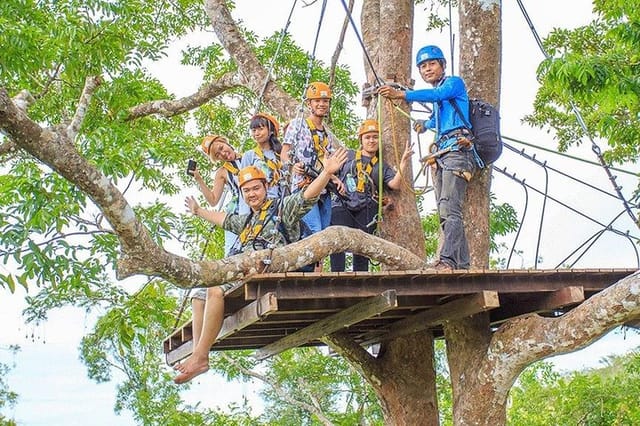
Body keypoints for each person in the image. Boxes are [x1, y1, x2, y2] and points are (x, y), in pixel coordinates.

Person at [173, 148, 349, 384]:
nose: (251, 194)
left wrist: (326, 173)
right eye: (246, 190)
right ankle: (198, 353)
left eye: (256, 188)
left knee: (215, 290)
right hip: (248, 271)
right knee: (198, 295)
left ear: (266, 188)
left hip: (271, 270)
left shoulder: (281, 209)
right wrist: (197, 211)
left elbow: (306, 196)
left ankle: (201, 356)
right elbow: (223, 219)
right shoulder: (247, 220)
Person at [378, 44, 481, 271]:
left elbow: (437, 95)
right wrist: (425, 125)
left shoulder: (453, 83)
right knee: (446, 210)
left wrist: (402, 94)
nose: (427, 69)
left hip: (457, 151)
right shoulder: (442, 100)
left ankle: (449, 261)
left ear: (442, 65)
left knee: (449, 209)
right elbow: (437, 119)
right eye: (423, 66)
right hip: (444, 153)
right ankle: (461, 264)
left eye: (432, 64)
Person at [330, 119, 413, 272]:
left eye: (375, 137)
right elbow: (328, 169)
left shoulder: (381, 165)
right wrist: (335, 180)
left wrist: (403, 163)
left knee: (363, 246)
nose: (371, 140)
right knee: (337, 240)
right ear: (361, 139)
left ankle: (361, 279)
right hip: (343, 203)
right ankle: (337, 275)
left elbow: (394, 184)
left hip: (365, 206)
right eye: (367, 137)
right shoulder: (348, 155)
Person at [281, 82, 345, 270]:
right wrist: (293, 166)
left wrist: (336, 179)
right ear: (309, 103)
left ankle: (318, 272)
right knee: (314, 231)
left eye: (325, 101)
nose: (322, 104)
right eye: (317, 101)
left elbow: (326, 163)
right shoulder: (297, 125)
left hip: (323, 188)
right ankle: (307, 274)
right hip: (304, 186)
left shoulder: (326, 134)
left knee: (323, 234)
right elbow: (285, 153)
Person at [189, 135, 242, 350]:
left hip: (256, 215)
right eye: (217, 154)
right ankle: (197, 349)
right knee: (232, 254)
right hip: (235, 216)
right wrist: (199, 179)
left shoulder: (250, 157)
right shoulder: (223, 172)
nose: (222, 153)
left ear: (227, 142)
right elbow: (214, 199)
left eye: (221, 148)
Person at [239, 112, 283, 212]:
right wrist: (244, 215)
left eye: (260, 129)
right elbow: (243, 185)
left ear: (271, 131)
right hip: (258, 205)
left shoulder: (280, 155)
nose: (257, 133)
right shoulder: (250, 155)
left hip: (278, 204)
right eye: (254, 130)